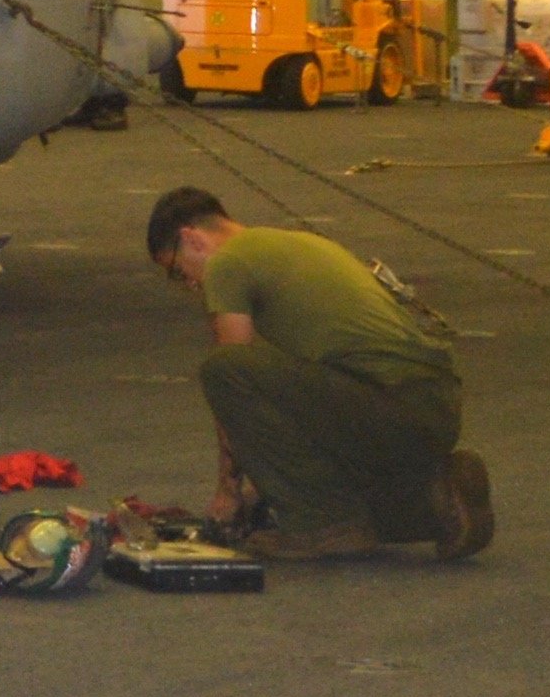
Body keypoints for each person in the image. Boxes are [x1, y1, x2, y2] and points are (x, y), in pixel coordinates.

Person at [149, 186, 489, 562]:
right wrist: (266, 488)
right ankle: (437, 498)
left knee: (225, 369)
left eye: (179, 272)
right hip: (431, 406)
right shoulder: (299, 244)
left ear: (191, 239)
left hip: (386, 402)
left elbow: (234, 376)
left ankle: (323, 527)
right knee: (339, 499)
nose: (190, 285)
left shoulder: (229, 263)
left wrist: (228, 491)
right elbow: (296, 404)